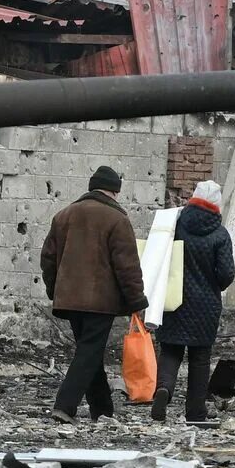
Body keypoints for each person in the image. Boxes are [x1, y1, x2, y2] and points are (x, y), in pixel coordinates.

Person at [39, 165, 147, 423]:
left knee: (90, 352)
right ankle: (64, 406)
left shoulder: (63, 216)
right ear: (115, 191)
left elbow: (48, 259)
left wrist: (55, 289)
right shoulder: (117, 220)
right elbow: (127, 267)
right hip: (101, 301)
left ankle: (102, 409)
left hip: (70, 299)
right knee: (88, 352)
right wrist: (137, 301)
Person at [152, 180, 235, 423]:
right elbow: (226, 274)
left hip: (174, 299)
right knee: (200, 359)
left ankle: (164, 389)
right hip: (206, 306)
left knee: (170, 350)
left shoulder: (175, 225)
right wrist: (215, 286)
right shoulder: (220, 234)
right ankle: (196, 413)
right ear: (217, 205)